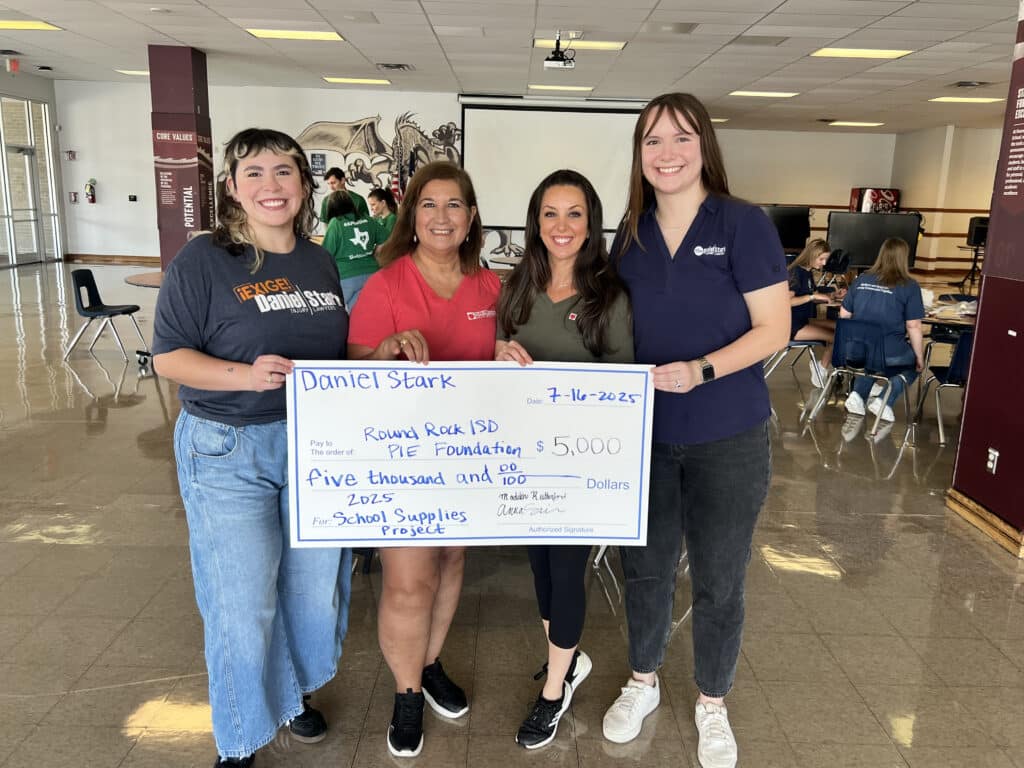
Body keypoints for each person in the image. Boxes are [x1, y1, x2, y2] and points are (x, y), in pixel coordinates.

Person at [152, 128, 352, 767]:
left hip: (313, 448)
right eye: (256, 172)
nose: (272, 185)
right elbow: (168, 358)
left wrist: (380, 356)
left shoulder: (319, 261)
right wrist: (245, 374)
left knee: (309, 588)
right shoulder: (203, 260)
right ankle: (239, 738)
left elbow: (329, 355)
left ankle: (289, 695)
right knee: (242, 601)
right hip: (226, 448)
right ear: (232, 187)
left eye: (286, 171)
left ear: (304, 185)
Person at [602, 93, 789, 768]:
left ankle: (713, 702)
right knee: (646, 569)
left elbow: (776, 328)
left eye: (680, 138)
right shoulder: (631, 233)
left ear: (704, 145)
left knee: (719, 577)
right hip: (645, 437)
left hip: (728, 434)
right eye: (652, 141)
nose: (667, 153)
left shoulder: (742, 224)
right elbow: (603, 328)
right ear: (639, 155)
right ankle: (642, 681)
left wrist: (702, 370)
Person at [347, 160, 501, 758]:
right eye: (429, 204)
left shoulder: (492, 288)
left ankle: (430, 661)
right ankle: (407, 691)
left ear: (470, 219)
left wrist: (511, 353)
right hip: (402, 464)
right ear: (412, 215)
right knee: (410, 583)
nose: (442, 217)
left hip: (467, 462)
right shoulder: (385, 285)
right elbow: (352, 373)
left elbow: (508, 364)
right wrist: (383, 350)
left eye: (454, 205)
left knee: (451, 561)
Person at [495, 169, 633, 749]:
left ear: (591, 221)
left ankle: (554, 690)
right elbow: (491, 369)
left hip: (580, 468)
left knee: (566, 571)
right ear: (536, 221)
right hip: (524, 461)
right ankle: (569, 660)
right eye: (550, 213)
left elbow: (626, 384)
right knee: (540, 571)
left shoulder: (609, 296)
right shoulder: (515, 289)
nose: (561, 226)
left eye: (574, 213)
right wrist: (496, 351)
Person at [840, 237, 925, 422]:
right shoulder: (909, 286)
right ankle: (884, 400)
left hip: (854, 351)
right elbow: (913, 325)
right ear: (904, 258)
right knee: (912, 365)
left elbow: (844, 315)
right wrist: (920, 356)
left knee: (871, 361)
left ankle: (857, 396)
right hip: (888, 352)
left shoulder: (861, 279)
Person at [788, 238, 841, 386]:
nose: (824, 263)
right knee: (836, 337)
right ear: (812, 255)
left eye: (826, 259)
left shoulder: (808, 272)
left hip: (803, 319)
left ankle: (824, 366)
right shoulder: (796, 272)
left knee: (841, 327)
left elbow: (812, 296)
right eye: (821, 259)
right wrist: (813, 296)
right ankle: (821, 368)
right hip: (792, 325)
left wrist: (832, 296)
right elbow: (787, 302)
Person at [321, 189, 385, 309]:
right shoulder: (368, 219)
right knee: (367, 313)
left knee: (341, 314)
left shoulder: (336, 223)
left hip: (346, 278)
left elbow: (325, 254)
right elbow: (386, 239)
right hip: (372, 274)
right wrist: (375, 255)